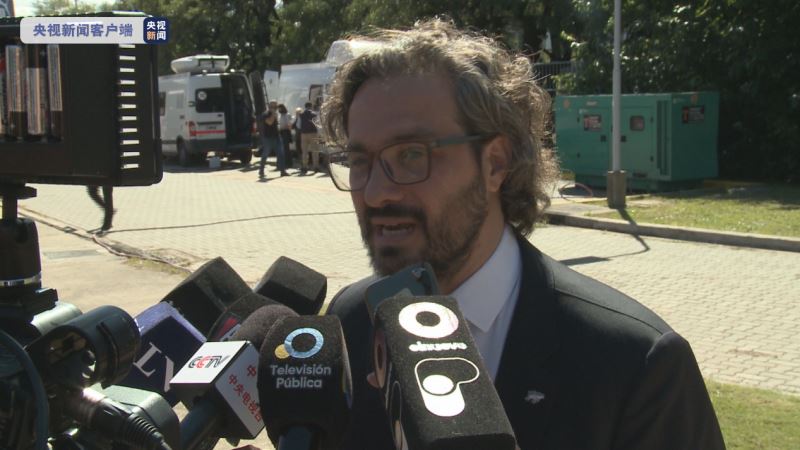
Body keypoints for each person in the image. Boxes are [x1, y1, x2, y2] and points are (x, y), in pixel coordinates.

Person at [321, 19, 726, 450]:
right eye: (359, 161)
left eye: (410, 155)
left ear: (495, 163)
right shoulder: (351, 322)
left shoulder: (635, 365)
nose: (376, 193)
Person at [258, 109, 286, 178]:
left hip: (277, 137)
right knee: (265, 154)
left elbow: (276, 125)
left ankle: (282, 171)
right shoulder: (265, 114)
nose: (275, 107)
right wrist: (273, 115)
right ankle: (261, 170)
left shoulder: (275, 114)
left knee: (281, 154)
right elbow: (270, 123)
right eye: (274, 105)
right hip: (268, 138)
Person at [298, 101, 321, 175]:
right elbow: (318, 124)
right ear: (311, 106)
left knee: (304, 151)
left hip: (303, 134)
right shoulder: (314, 114)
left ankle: (305, 167)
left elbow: (298, 125)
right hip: (313, 134)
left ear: (305, 106)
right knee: (315, 151)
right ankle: (316, 167)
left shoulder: (301, 115)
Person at [277, 104, 294, 170]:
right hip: (281, 132)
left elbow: (289, 124)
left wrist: (283, 127)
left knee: (286, 148)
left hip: (285, 132)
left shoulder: (287, 115)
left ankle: (288, 163)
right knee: (283, 148)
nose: (279, 110)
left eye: (280, 108)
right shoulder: (280, 115)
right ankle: (284, 163)